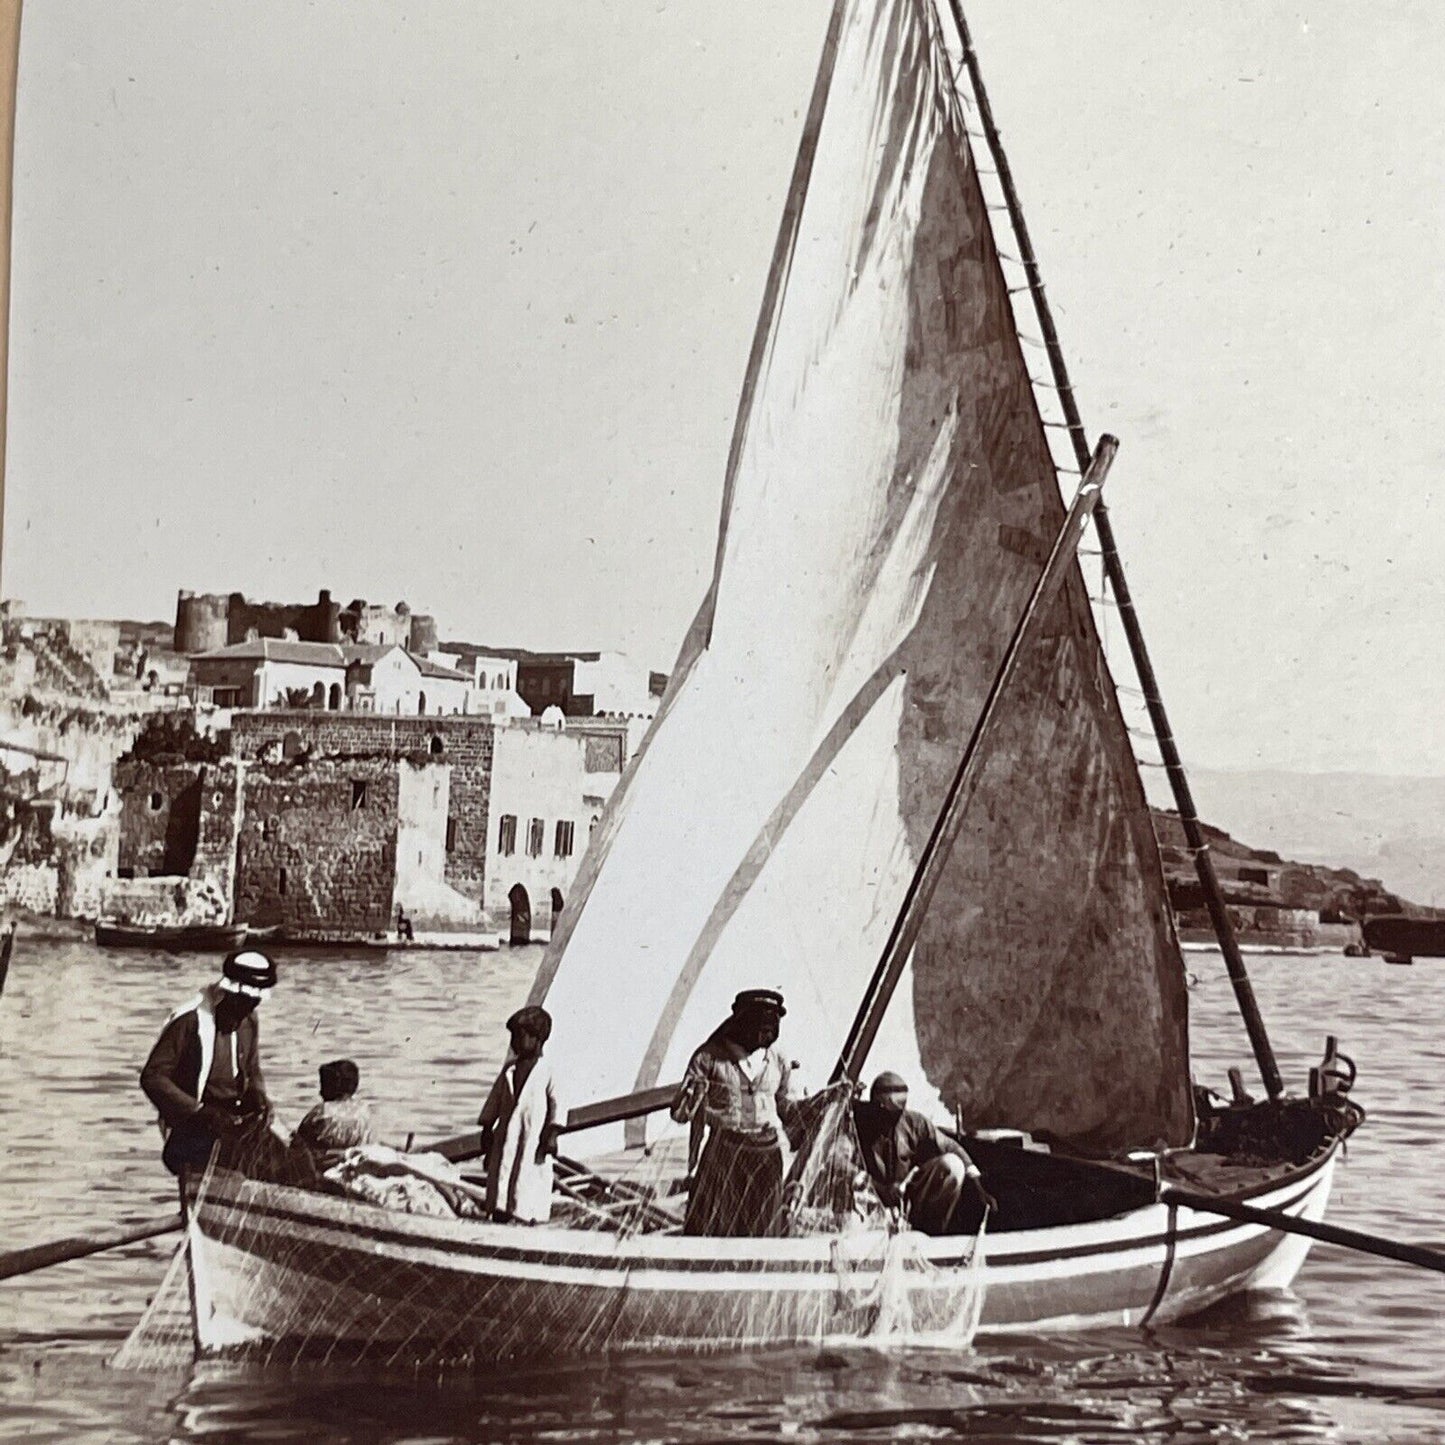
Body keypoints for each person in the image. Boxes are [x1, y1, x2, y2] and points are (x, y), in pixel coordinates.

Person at [671, 988, 798, 1238]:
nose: (768, 1029)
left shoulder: (778, 1059)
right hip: (724, 1156)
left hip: (766, 1158)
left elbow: (786, 1107)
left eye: (773, 1023)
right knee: (712, 1230)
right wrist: (692, 1097)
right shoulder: (708, 1057)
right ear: (742, 1021)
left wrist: (822, 1102)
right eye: (761, 1023)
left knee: (763, 1233)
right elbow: (679, 1114)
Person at [140, 949, 277, 1175]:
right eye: (243, 1002)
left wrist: (257, 1094)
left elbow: (252, 1069)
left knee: (278, 1159)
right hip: (193, 1124)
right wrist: (197, 1110)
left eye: (253, 1003)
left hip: (234, 1119)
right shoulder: (190, 1021)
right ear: (226, 994)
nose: (248, 1009)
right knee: (225, 1161)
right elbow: (153, 1077)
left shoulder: (249, 1020)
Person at [852, 1071, 996, 1235]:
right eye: (889, 1114)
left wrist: (978, 1186)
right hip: (870, 1201)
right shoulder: (856, 1123)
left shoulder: (914, 1122)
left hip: (908, 1201)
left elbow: (952, 1147)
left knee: (952, 1165)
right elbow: (841, 1164)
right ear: (876, 1107)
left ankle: (932, 1232)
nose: (896, 1118)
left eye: (900, 1111)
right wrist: (880, 1188)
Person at [477, 1005, 562, 1223]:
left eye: (519, 1036)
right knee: (501, 1175)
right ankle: (499, 1214)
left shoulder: (548, 1071)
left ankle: (526, 1219)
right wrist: (487, 1128)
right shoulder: (509, 1071)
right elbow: (494, 1102)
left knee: (527, 1180)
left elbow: (558, 1106)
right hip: (505, 1136)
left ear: (537, 1039)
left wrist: (551, 1135)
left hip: (533, 1140)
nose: (514, 1042)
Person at [292, 1059, 376, 1159]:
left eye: (323, 1086)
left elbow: (298, 1144)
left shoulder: (322, 1111)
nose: (320, 1092)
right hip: (357, 1160)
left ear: (331, 1087)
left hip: (323, 1163)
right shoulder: (364, 1110)